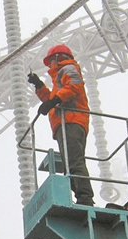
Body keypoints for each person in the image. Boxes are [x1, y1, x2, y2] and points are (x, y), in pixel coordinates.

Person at [28, 44, 95, 206]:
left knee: (74, 161)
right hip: (66, 123)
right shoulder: (60, 77)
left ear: (58, 58)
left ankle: (85, 197)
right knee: (70, 164)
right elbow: (53, 98)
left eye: (50, 61)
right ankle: (80, 196)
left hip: (72, 121)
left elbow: (74, 87)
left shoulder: (68, 69)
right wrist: (39, 85)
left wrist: (54, 101)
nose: (49, 65)